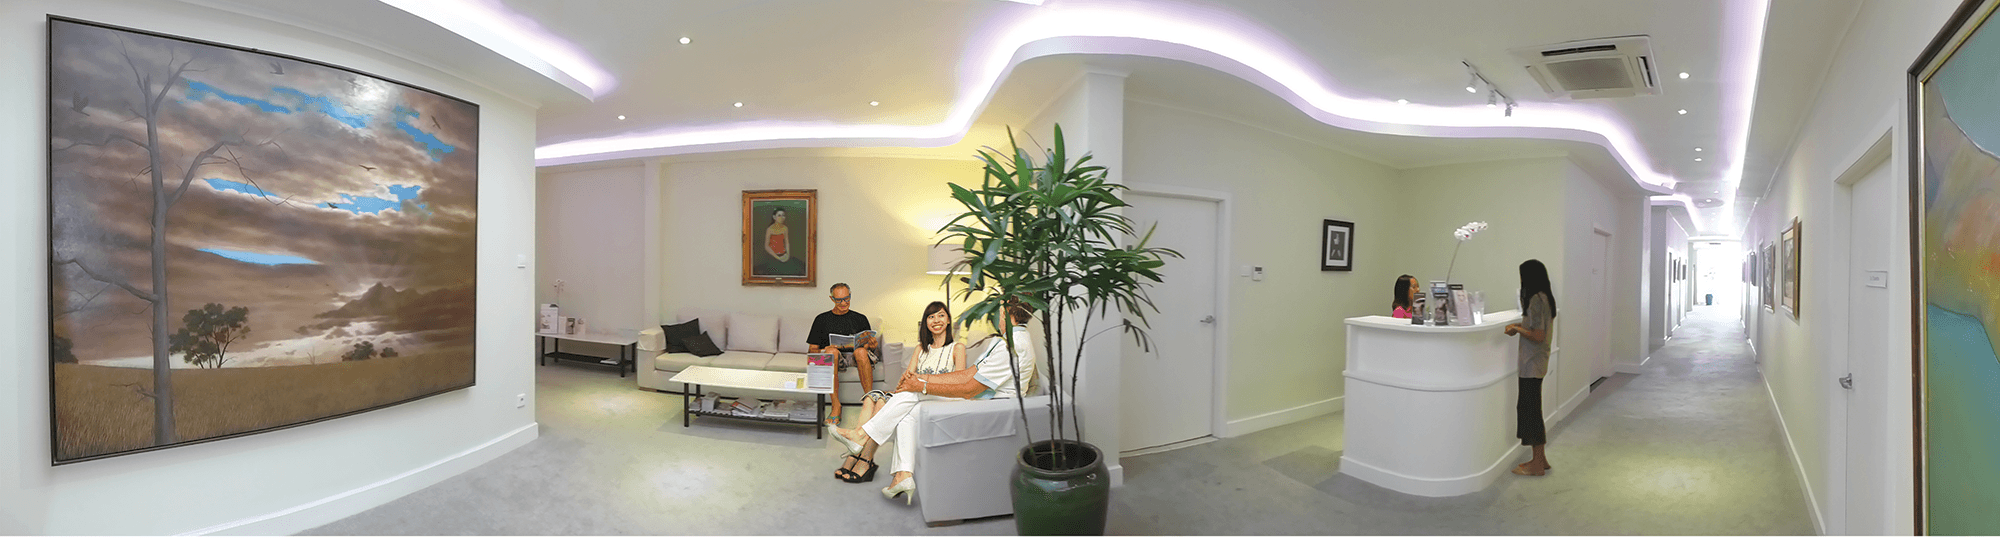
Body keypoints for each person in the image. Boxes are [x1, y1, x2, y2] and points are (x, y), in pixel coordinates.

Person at [829, 302, 1036, 503]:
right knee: (906, 409)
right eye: (931, 316)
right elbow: (969, 374)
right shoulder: (1006, 341)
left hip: (987, 407)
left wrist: (922, 384)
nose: (997, 317)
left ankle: (861, 436)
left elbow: (968, 388)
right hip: (982, 399)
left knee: (912, 394)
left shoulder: (1011, 345)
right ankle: (903, 475)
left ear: (1006, 313)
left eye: (999, 312)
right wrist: (922, 381)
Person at [1502, 259, 1558, 476]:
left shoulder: (1536, 299)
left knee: (1531, 412)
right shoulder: (1546, 298)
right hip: (1538, 362)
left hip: (1531, 364)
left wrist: (1516, 328)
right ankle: (1541, 459)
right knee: (1534, 409)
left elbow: (1538, 335)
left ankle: (1535, 464)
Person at [808, 282, 875, 425]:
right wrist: (826, 348)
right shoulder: (821, 319)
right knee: (831, 352)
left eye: (847, 298)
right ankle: (836, 406)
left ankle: (869, 403)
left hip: (855, 356)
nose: (844, 303)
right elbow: (812, 350)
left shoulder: (860, 318)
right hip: (835, 357)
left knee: (861, 351)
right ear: (832, 299)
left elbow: (867, 345)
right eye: (839, 300)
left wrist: (872, 345)